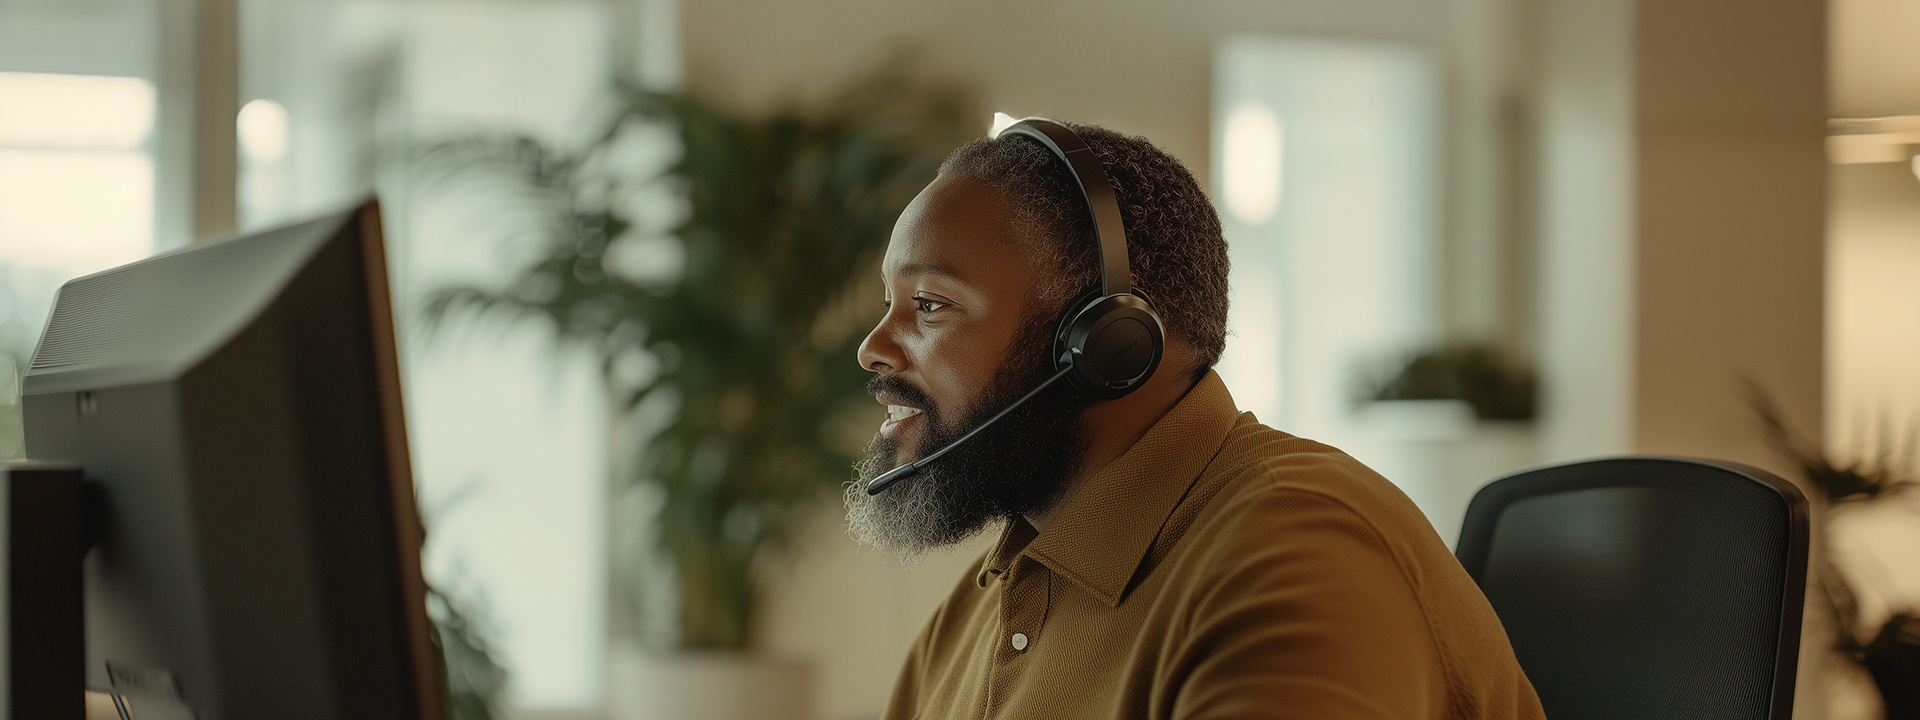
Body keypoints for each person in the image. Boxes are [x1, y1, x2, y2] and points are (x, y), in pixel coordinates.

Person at [843, 120, 1545, 720]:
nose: (873, 349)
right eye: (888, 304)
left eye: (929, 304)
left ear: (1105, 345)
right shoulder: (974, 616)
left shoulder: (1292, 555)